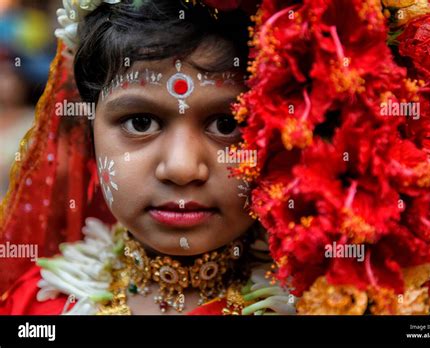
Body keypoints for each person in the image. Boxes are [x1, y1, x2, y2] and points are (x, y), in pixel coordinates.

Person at [0, 0, 295, 315]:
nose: (182, 168)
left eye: (227, 124)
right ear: (89, 132)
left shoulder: (321, 301)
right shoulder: (38, 305)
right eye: (140, 123)